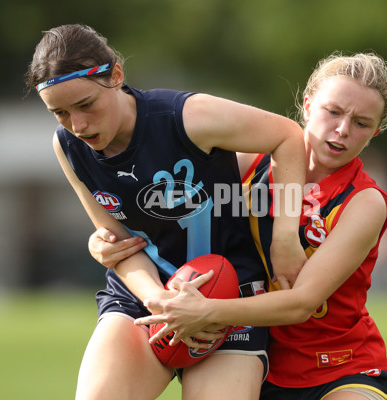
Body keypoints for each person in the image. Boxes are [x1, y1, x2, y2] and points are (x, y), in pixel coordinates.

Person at [93, 52, 387, 400]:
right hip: (253, 352)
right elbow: (172, 218)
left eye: (361, 123)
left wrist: (205, 311)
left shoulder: (364, 202)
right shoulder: (249, 162)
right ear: (308, 104)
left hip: (339, 363)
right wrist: (105, 238)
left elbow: (301, 303)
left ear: (375, 132)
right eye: (334, 112)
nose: (343, 130)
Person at [25, 24, 307, 400]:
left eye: (86, 104)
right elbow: (120, 245)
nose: (78, 125)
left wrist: (285, 238)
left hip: (228, 302)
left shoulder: (188, 117)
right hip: (144, 299)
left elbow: (287, 136)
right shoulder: (68, 147)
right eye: (59, 112)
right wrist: (161, 302)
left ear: (116, 77)